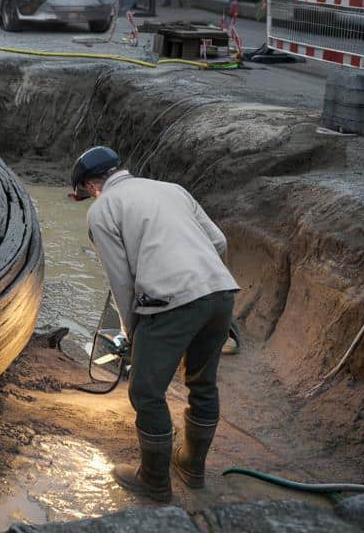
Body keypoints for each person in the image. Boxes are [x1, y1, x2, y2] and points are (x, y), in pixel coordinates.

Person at [71, 145, 239, 501]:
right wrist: (204, 282)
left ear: (90, 185)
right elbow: (219, 241)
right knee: (203, 384)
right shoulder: (171, 189)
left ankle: (154, 482)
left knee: (146, 392)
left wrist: (132, 333)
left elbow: (122, 283)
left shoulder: (102, 209)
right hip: (221, 292)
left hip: (171, 303)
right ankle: (192, 469)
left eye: (85, 192)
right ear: (118, 169)